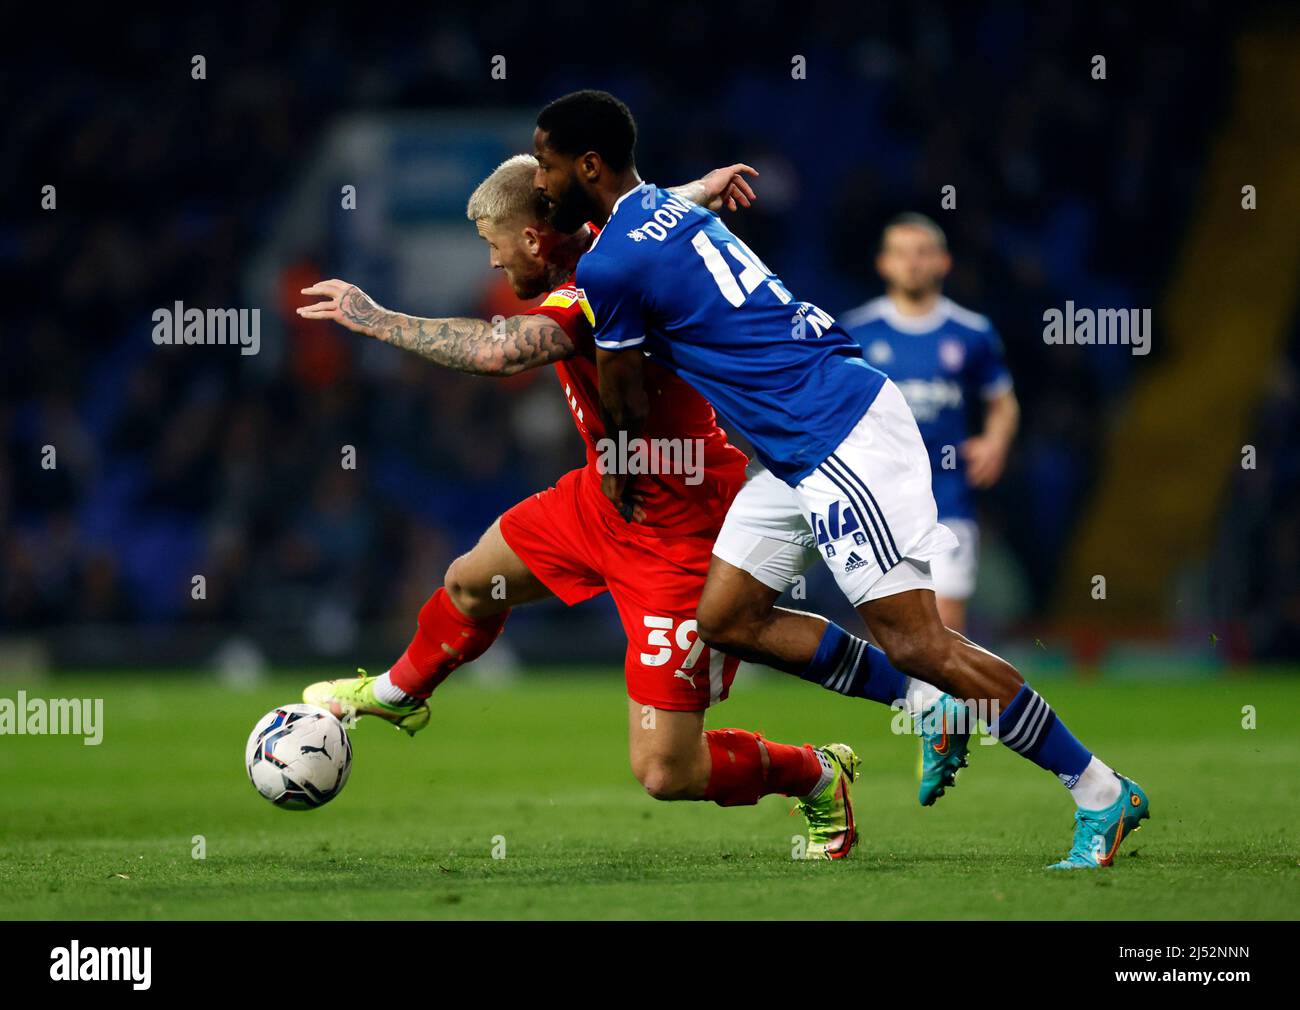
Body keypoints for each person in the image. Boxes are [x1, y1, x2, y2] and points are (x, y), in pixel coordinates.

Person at [533, 89, 1149, 868]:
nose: (541, 181)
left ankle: (1098, 789)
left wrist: (615, 446)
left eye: (548, 164)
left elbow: (621, 398)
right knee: (725, 617)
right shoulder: (663, 207)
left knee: (921, 641)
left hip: (836, 436)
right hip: (797, 446)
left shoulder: (612, 261)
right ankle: (930, 707)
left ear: (588, 166)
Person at [295, 155, 861, 858]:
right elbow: (634, 215)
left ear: (533, 240)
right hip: (604, 496)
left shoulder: (601, 286)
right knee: (472, 581)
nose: (494, 265)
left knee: (665, 771)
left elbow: (501, 351)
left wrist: (375, 319)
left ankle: (815, 773)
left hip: (680, 532)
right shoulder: (599, 239)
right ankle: (401, 691)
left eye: (493, 246)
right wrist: (694, 193)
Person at [839, 214, 1020, 633]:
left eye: (923, 253)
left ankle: (946, 701)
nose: (913, 263)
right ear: (883, 263)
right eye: (901, 253)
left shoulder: (971, 332)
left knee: (946, 622)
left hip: (947, 495)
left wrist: (995, 441)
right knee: (890, 624)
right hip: (876, 497)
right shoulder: (856, 329)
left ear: (943, 262)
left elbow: (1002, 401)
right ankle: (909, 700)